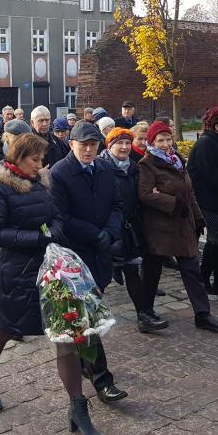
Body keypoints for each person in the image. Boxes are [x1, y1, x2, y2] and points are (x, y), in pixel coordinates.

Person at [0, 134, 103, 435]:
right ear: (17, 157)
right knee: (5, 329)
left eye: (41, 159)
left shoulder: (41, 183)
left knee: (65, 337)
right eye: (34, 159)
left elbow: (56, 216)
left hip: (49, 273)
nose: (40, 164)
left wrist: (54, 232)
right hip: (13, 275)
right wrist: (38, 238)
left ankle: (78, 408)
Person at [50, 121, 129, 404]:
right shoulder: (60, 173)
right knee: (88, 317)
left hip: (102, 252)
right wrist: (94, 234)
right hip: (77, 255)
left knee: (89, 314)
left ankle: (86, 363)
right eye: (83, 145)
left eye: (93, 145)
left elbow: (117, 205)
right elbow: (62, 217)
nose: (88, 150)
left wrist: (109, 232)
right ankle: (102, 381)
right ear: (72, 144)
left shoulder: (105, 168)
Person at [138, 121, 218, 332]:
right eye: (160, 140)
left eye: (168, 139)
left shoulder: (176, 159)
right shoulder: (147, 164)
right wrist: (173, 203)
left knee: (191, 270)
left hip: (183, 226)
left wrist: (198, 217)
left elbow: (189, 191)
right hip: (159, 228)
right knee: (151, 273)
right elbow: (145, 194)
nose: (165, 144)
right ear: (152, 142)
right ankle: (145, 313)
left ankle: (202, 314)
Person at [98, 127, 163, 333]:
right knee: (100, 277)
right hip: (106, 229)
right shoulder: (100, 167)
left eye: (128, 143)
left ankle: (143, 315)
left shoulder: (134, 167)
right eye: (120, 143)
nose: (125, 147)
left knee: (132, 271)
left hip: (128, 228)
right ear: (110, 145)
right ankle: (85, 318)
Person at [187, 107, 218, 302]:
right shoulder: (206, 143)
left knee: (214, 240)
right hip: (205, 201)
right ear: (217, 126)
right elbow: (208, 173)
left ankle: (204, 276)